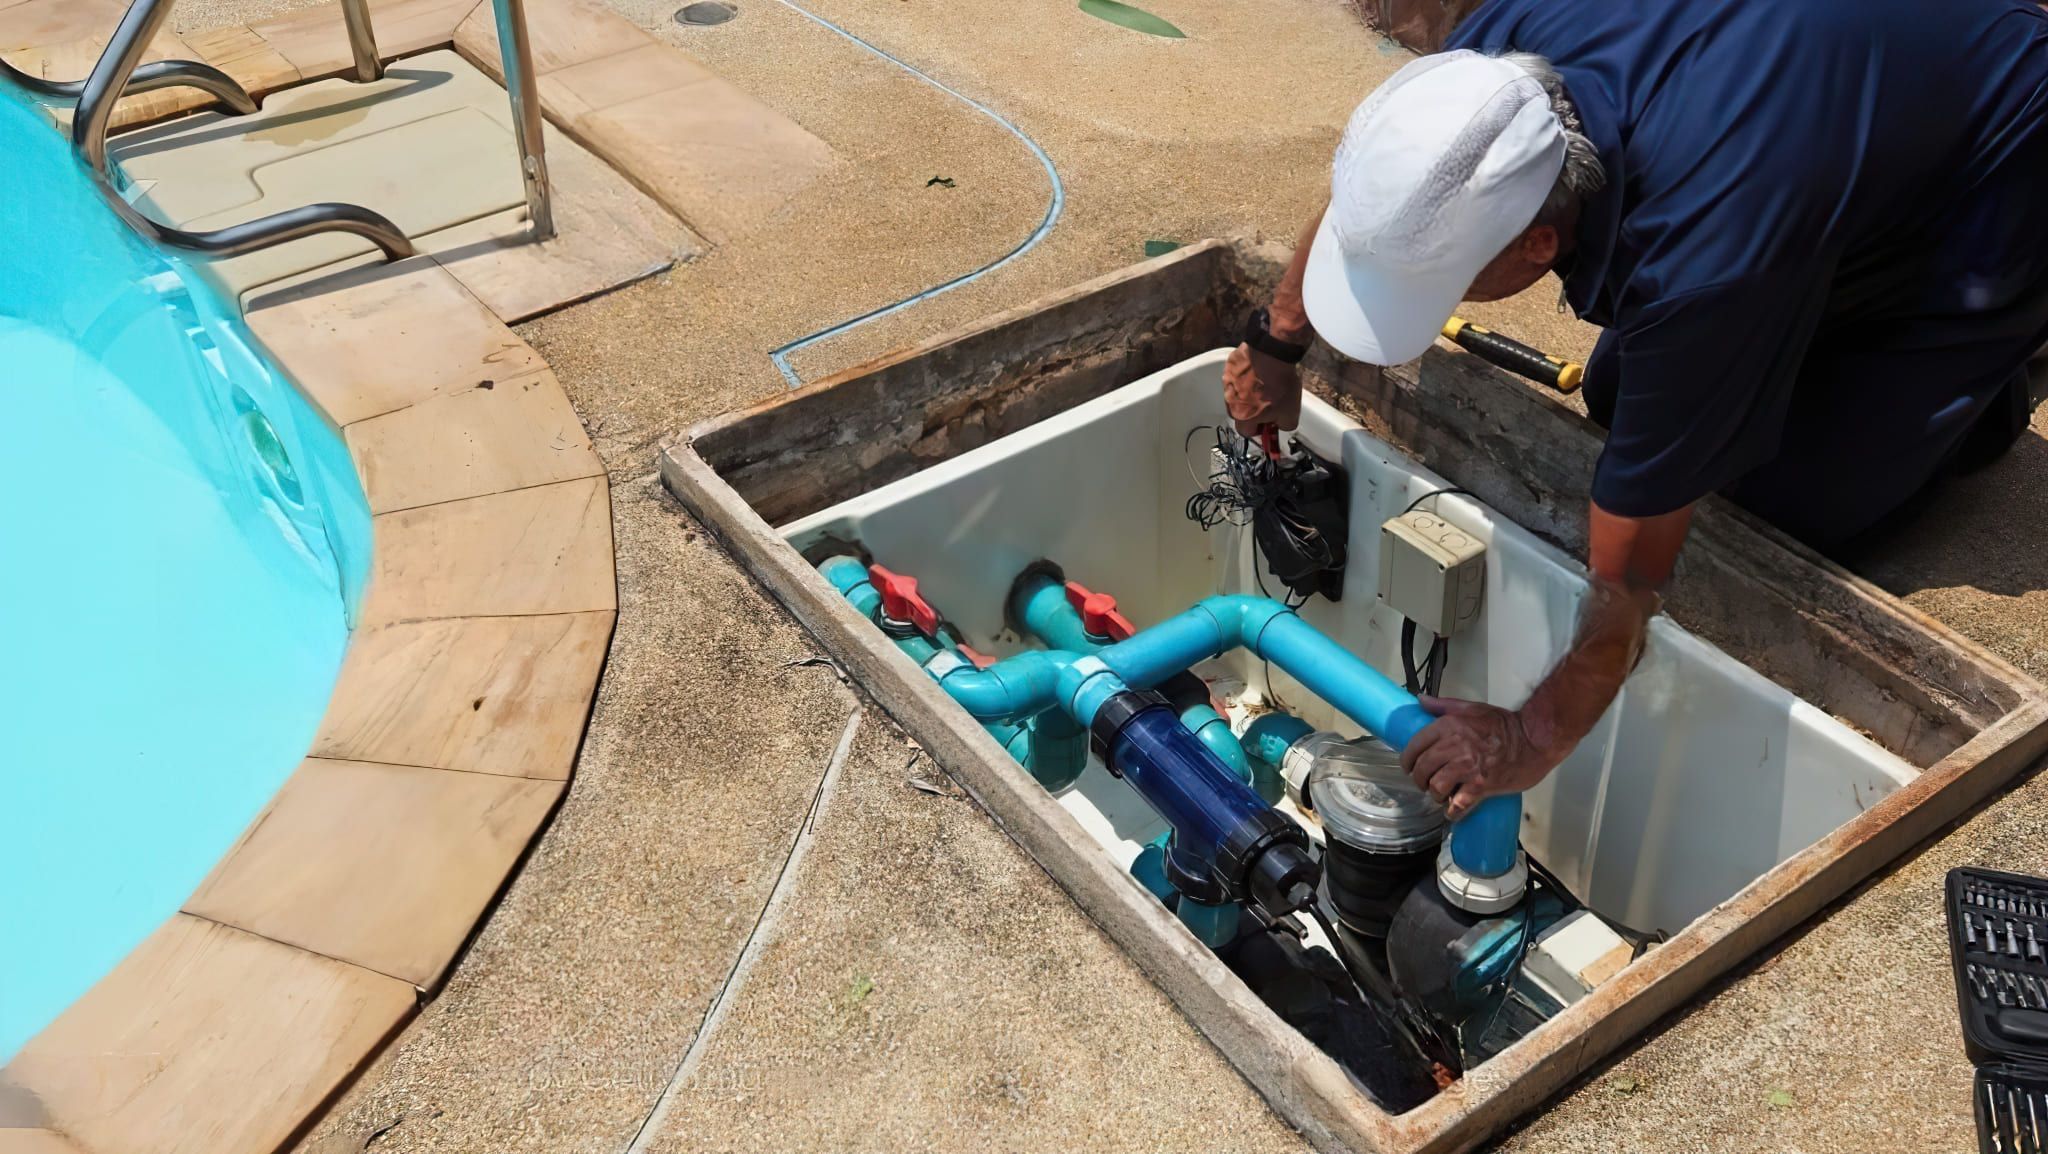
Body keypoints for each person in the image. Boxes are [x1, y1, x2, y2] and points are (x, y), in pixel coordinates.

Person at [1225, 0, 2048, 820]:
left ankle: (1979, 373)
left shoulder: (1702, 261)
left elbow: (1628, 585)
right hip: (1826, 109)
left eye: (1441, 282)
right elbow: (1377, 201)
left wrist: (1531, 736)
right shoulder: (1485, 83)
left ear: (1536, 246)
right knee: (1625, 392)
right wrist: (1275, 341)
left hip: (2000, 150)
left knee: (1780, 500)